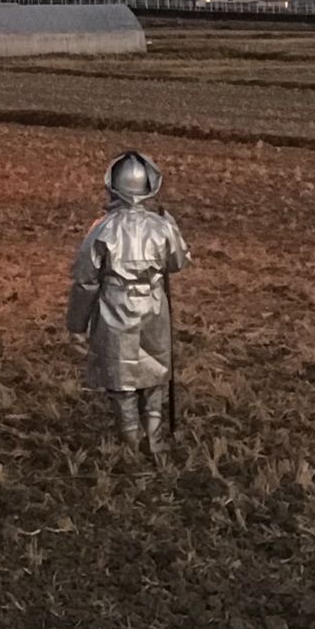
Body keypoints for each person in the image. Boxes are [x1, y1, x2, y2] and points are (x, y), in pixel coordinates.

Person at [66, 150, 190, 459]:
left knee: (121, 377)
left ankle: (132, 440)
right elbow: (177, 262)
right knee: (154, 370)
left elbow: (85, 280)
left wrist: (77, 323)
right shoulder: (161, 226)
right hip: (153, 304)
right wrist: (172, 227)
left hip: (116, 305)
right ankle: (154, 438)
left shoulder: (103, 228)